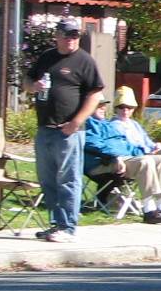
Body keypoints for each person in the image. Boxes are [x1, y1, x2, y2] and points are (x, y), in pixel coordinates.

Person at [28, 18, 104, 242]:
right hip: (45, 128)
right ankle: (55, 224)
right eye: (68, 34)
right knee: (47, 179)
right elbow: (27, 79)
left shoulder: (84, 61)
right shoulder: (47, 57)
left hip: (68, 131)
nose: (72, 39)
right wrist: (33, 86)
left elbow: (95, 95)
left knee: (68, 179)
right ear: (57, 35)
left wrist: (76, 122)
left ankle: (68, 227)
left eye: (75, 35)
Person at [83, 94, 161, 223]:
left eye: (104, 105)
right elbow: (94, 144)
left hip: (122, 160)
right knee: (145, 162)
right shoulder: (86, 124)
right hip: (102, 164)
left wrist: (143, 152)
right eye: (98, 105)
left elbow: (126, 144)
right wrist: (115, 157)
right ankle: (149, 210)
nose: (103, 108)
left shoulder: (106, 124)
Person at [108, 86, 161, 217]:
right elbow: (125, 147)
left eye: (129, 107)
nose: (125, 110)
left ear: (133, 108)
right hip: (135, 157)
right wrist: (148, 150)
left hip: (148, 153)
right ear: (116, 108)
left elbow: (147, 142)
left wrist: (156, 146)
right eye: (121, 107)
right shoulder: (113, 125)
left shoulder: (134, 124)